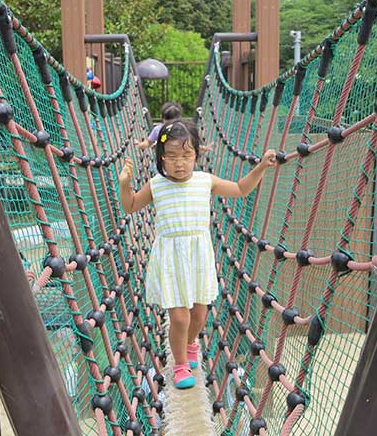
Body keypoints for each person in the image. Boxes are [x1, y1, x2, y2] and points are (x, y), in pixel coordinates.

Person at [118, 120, 277, 389]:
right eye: (171, 157)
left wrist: (261, 166)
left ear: (196, 155)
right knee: (180, 317)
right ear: (161, 158)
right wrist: (125, 184)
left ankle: (190, 344)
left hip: (198, 257)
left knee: (200, 316)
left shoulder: (205, 181)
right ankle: (179, 365)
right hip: (171, 259)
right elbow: (131, 205)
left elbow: (240, 189)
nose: (179, 163)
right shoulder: (157, 184)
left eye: (186, 155)